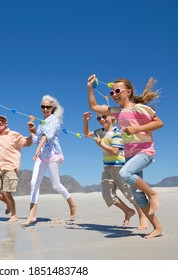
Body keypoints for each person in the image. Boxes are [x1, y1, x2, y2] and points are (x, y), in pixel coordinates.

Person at [87, 74, 163, 239]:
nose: (114, 95)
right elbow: (93, 106)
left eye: (117, 91)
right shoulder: (116, 111)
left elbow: (159, 123)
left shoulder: (139, 108)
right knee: (136, 195)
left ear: (128, 92)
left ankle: (153, 193)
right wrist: (90, 87)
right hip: (130, 155)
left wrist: (136, 129)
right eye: (112, 92)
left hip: (145, 152)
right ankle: (157, 228)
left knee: (124, 174)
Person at [83, 111, 148, 229]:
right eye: (98, 118)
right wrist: (86, 121)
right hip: (107, 168)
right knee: (107, 195)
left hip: (120, 168)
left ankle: (142, 217)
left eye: (104, 116)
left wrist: (100, 145)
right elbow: (87, 134)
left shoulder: (117, 133)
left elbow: (115, 151)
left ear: (112, 117)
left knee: (130, 195)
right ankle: (128, 211)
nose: (101, 120)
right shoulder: (100, 132)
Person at [23, 95, 77, 226]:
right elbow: (37, 140)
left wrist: (37, 149)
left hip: (53, 155)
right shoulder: (42, 122)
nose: (45, 109)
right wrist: (32, 131)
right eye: (43, 107)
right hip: (41, 156)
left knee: (56, 185)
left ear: (52, 108)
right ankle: (32, 215)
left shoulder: (54, 120)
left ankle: (72, 204)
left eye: (48, 107)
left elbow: (48, 136)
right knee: (34, 182)